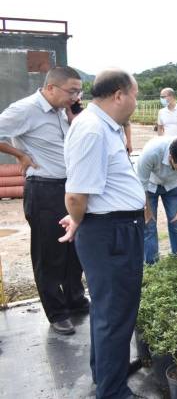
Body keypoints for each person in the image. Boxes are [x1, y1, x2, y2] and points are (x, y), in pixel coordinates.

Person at [59, 69, 146, 398]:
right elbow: (76, 195)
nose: (136, 102)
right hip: (112, 232)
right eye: (135, 95)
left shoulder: (104, 126)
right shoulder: (93, 129)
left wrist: (79, 217)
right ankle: (112, 392)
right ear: (120, 95)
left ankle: (107, 372)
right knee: (115, 312)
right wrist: (77, 218)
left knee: (109, 310)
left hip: (115, 228)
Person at [0, 66, 88, 335]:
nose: (75, 96)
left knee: (75, 248)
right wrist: (19, 155)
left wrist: (75, 117)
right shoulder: (25, 109)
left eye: (78, 91)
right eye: (71, 91)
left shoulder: (64, 110)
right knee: (49, 252)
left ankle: (75, 299)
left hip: (70, 187)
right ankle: (56, 311)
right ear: (50, 88)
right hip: (44, 188)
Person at [136, 136, 177, 264]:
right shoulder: (151, 153)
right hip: (149, 186)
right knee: (148, 226)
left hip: (173, 186)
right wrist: (147, 210)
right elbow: (141, 184)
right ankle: (152, 265)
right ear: (171, 157)